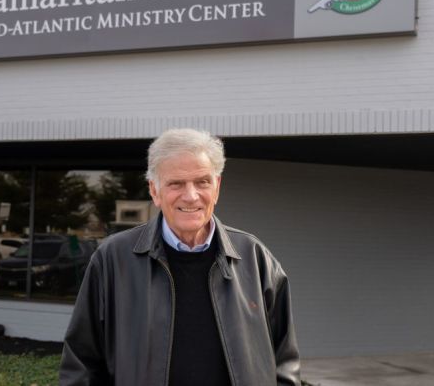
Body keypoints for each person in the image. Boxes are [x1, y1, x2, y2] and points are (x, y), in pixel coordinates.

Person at [59, 128, 300, 386]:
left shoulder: (256, 259)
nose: (191, 195)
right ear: (154, 191)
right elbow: (80, 366)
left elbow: (284, 365)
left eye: (202, 182)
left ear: (216, 187)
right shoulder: (112, 260)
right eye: (176, 183)